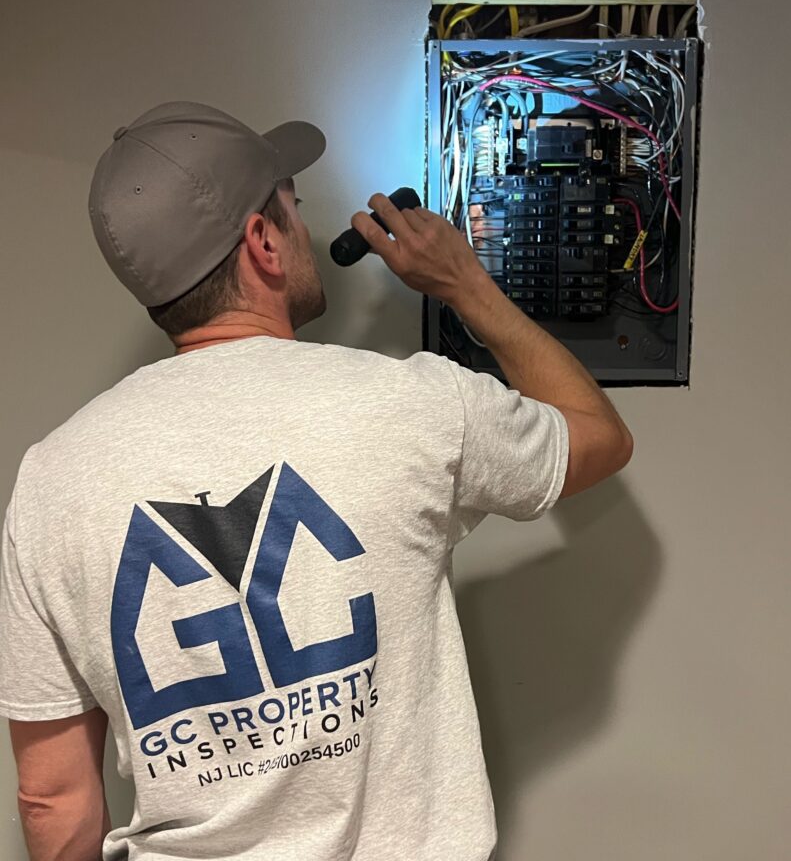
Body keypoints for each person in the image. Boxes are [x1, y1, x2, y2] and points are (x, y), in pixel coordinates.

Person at [0, 101, 632, 861]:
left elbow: (52, 799)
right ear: (263, 242)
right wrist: (466, 283)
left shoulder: (49, 479)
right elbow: (600, 437)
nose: (303, 228)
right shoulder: (415, 402)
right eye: (293, 208)